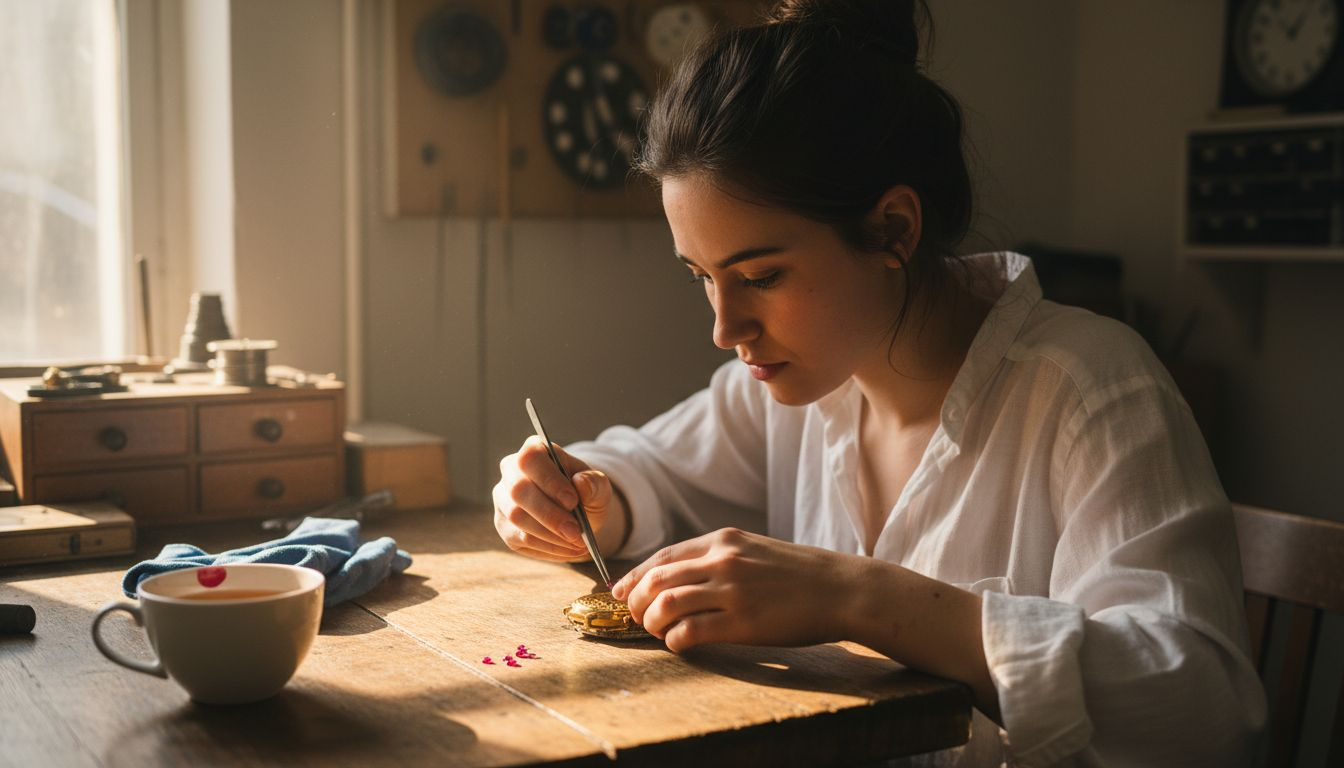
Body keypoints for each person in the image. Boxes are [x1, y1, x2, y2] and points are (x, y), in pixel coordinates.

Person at [492, 0, 1266, 764]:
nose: (725, 329)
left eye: (760, 276)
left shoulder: (1091, 391)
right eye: (702, 276)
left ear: (893, 229)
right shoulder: (794, 385)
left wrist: (857, 598)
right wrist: (583, 497)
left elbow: (1202, 709)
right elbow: (647, 468)